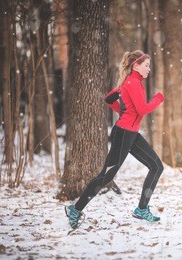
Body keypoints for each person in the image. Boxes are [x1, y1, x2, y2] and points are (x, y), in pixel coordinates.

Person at [65, 50, 165, 229]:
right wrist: (158, 99)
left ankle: (142, 209)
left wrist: (123, 109)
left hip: (131, 134)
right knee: (106, 175)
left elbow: (110, 98)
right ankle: (75, 209)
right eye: (147, 65)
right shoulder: (133, 82)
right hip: (123, 134)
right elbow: (142, 110)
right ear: (136, 66)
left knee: (156, 166)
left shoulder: (132, 82)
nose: (149, 69)